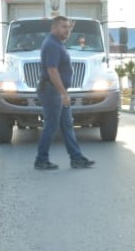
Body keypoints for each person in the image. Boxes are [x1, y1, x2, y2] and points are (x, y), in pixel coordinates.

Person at [34, 16, 95, 170]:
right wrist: (63, 94)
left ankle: (76, 158)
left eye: (68, 27)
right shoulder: (53, 45)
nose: (67, 30)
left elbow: (56, 69)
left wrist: (62, 93)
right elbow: (52, 70)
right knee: (51, 126)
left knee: (67, 125)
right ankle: (41, 160)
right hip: (52, 91)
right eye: (63, 27)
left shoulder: (57, 43)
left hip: (55, 91)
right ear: (53, 28)